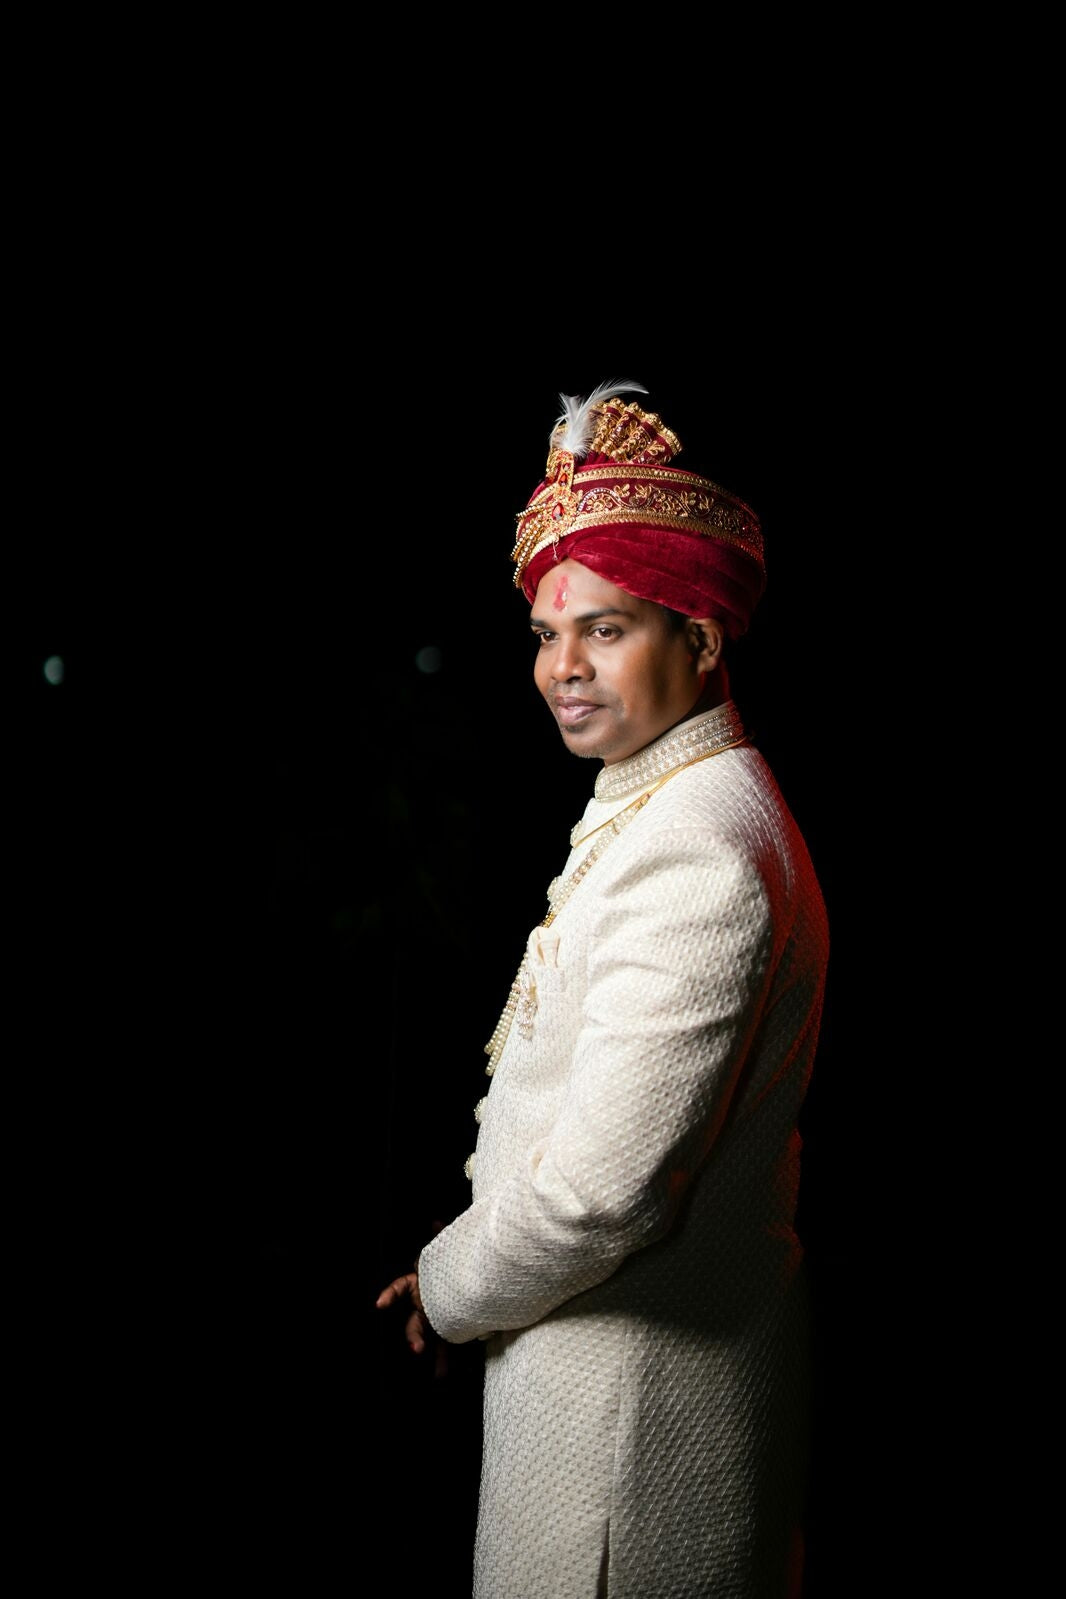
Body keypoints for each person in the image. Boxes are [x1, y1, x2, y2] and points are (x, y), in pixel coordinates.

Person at [376, 380, 830, 1598]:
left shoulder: (699, 846)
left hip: (625, 1445)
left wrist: (453, 1285)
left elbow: (597, 1196)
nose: (561, 671)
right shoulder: (669, 801)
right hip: (601, 1407)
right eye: (544, 636)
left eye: (607, 630)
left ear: (702, 634)